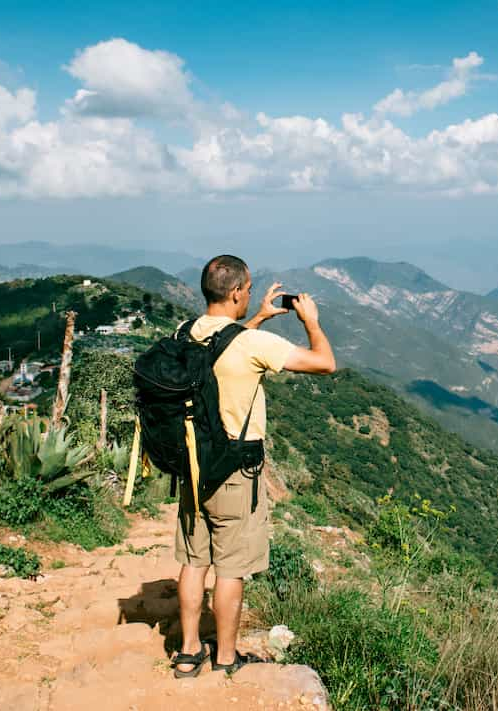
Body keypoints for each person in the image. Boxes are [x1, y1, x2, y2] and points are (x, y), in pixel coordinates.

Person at [171, 254, 335, 676]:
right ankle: (226, 657)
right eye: (247, 291)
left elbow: (224, 347)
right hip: (234, 473)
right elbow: (325, 363)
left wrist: (259, 316)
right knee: (231, 568)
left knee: (194, 561)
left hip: (192, 467)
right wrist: (310, 322)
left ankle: (188, 652)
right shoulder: (250, 344)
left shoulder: (185, 333)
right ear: (238, 292)